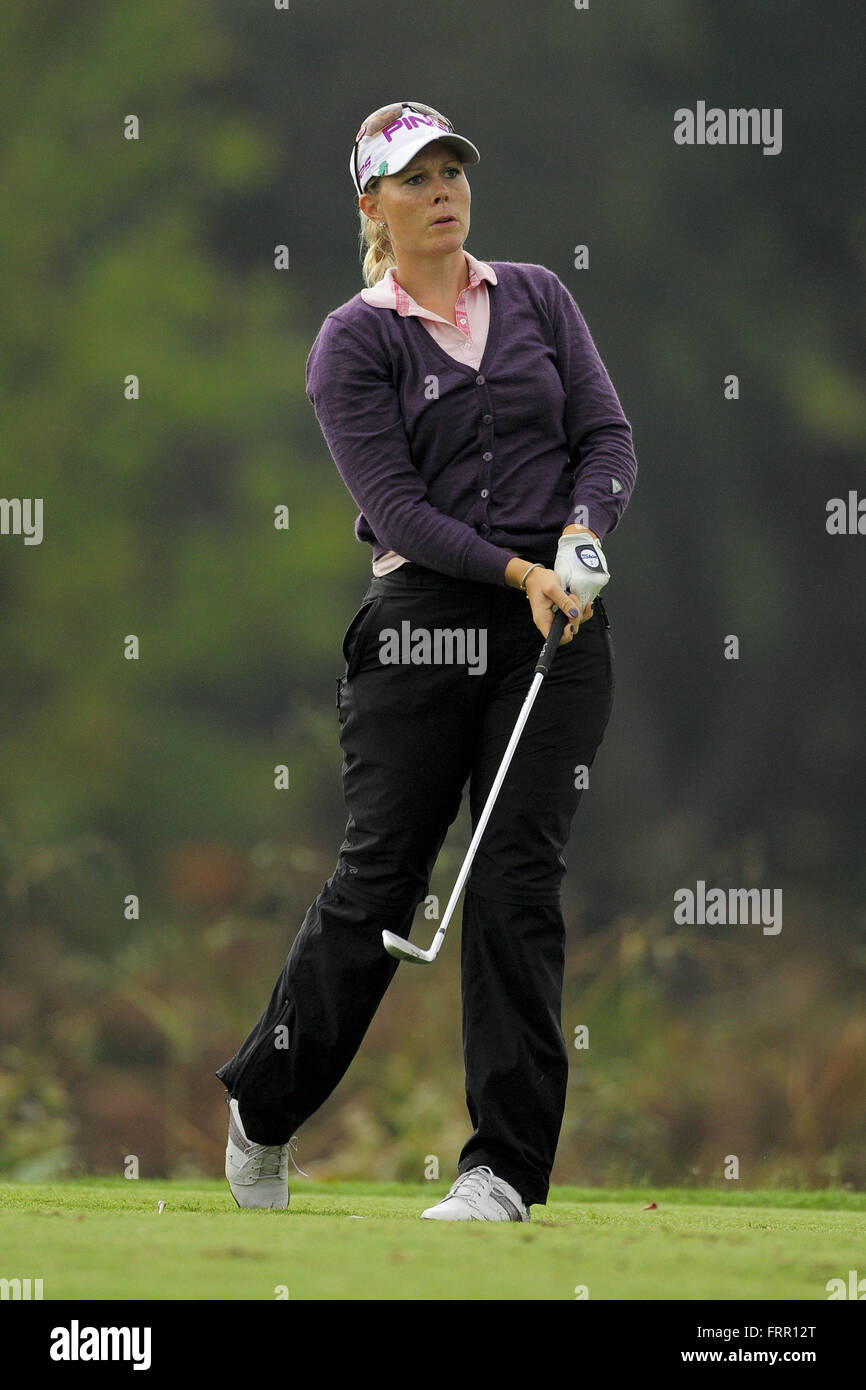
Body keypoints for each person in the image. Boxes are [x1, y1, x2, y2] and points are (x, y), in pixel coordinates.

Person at [216, 100, 637, 1221]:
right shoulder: (353, 340)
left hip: (555, 626)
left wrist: (583, 531)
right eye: (414, 177)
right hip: (420, 625)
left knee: (511, 883)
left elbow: (605, 434)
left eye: (451, 169)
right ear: (372, 205)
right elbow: (393, 501)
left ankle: (501, 1168)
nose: (442, 189)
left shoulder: (538, 295)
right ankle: (264, 1105)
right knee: (378, 884)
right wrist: (520, 572)